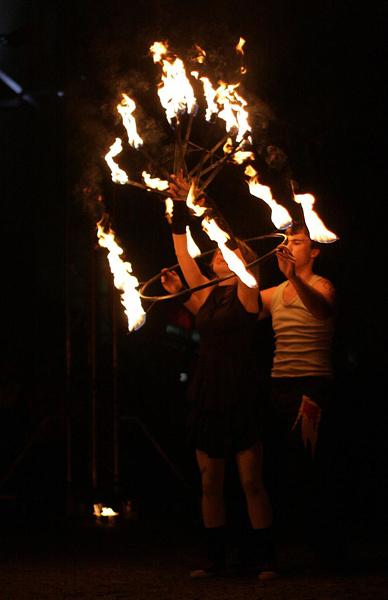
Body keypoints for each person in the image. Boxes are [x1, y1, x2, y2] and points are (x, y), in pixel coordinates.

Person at [161, 172, 276, 580]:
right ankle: (214, 559)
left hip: (240, 389)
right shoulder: (206, 296)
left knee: (250, 480)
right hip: (208, 390)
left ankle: (264, 559)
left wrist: (205, 207)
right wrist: (179, 206)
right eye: (218, 254)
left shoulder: (248, 290)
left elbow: (230, 249)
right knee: (210, 479)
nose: (219, 256)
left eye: (228, 253)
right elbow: (184, 256)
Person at [259, 221, 338, 566]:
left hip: (313, 385)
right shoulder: (275, 292)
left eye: (299, 241)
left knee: (309, 465)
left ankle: (326, 549)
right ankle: (283, 549)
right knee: (278, 466)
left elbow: (321, 310)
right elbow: (242, 307)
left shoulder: (323, 285)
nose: (291, 245)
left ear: (315, 250)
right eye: (288, 240)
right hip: (279, 385)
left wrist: (293, 278)